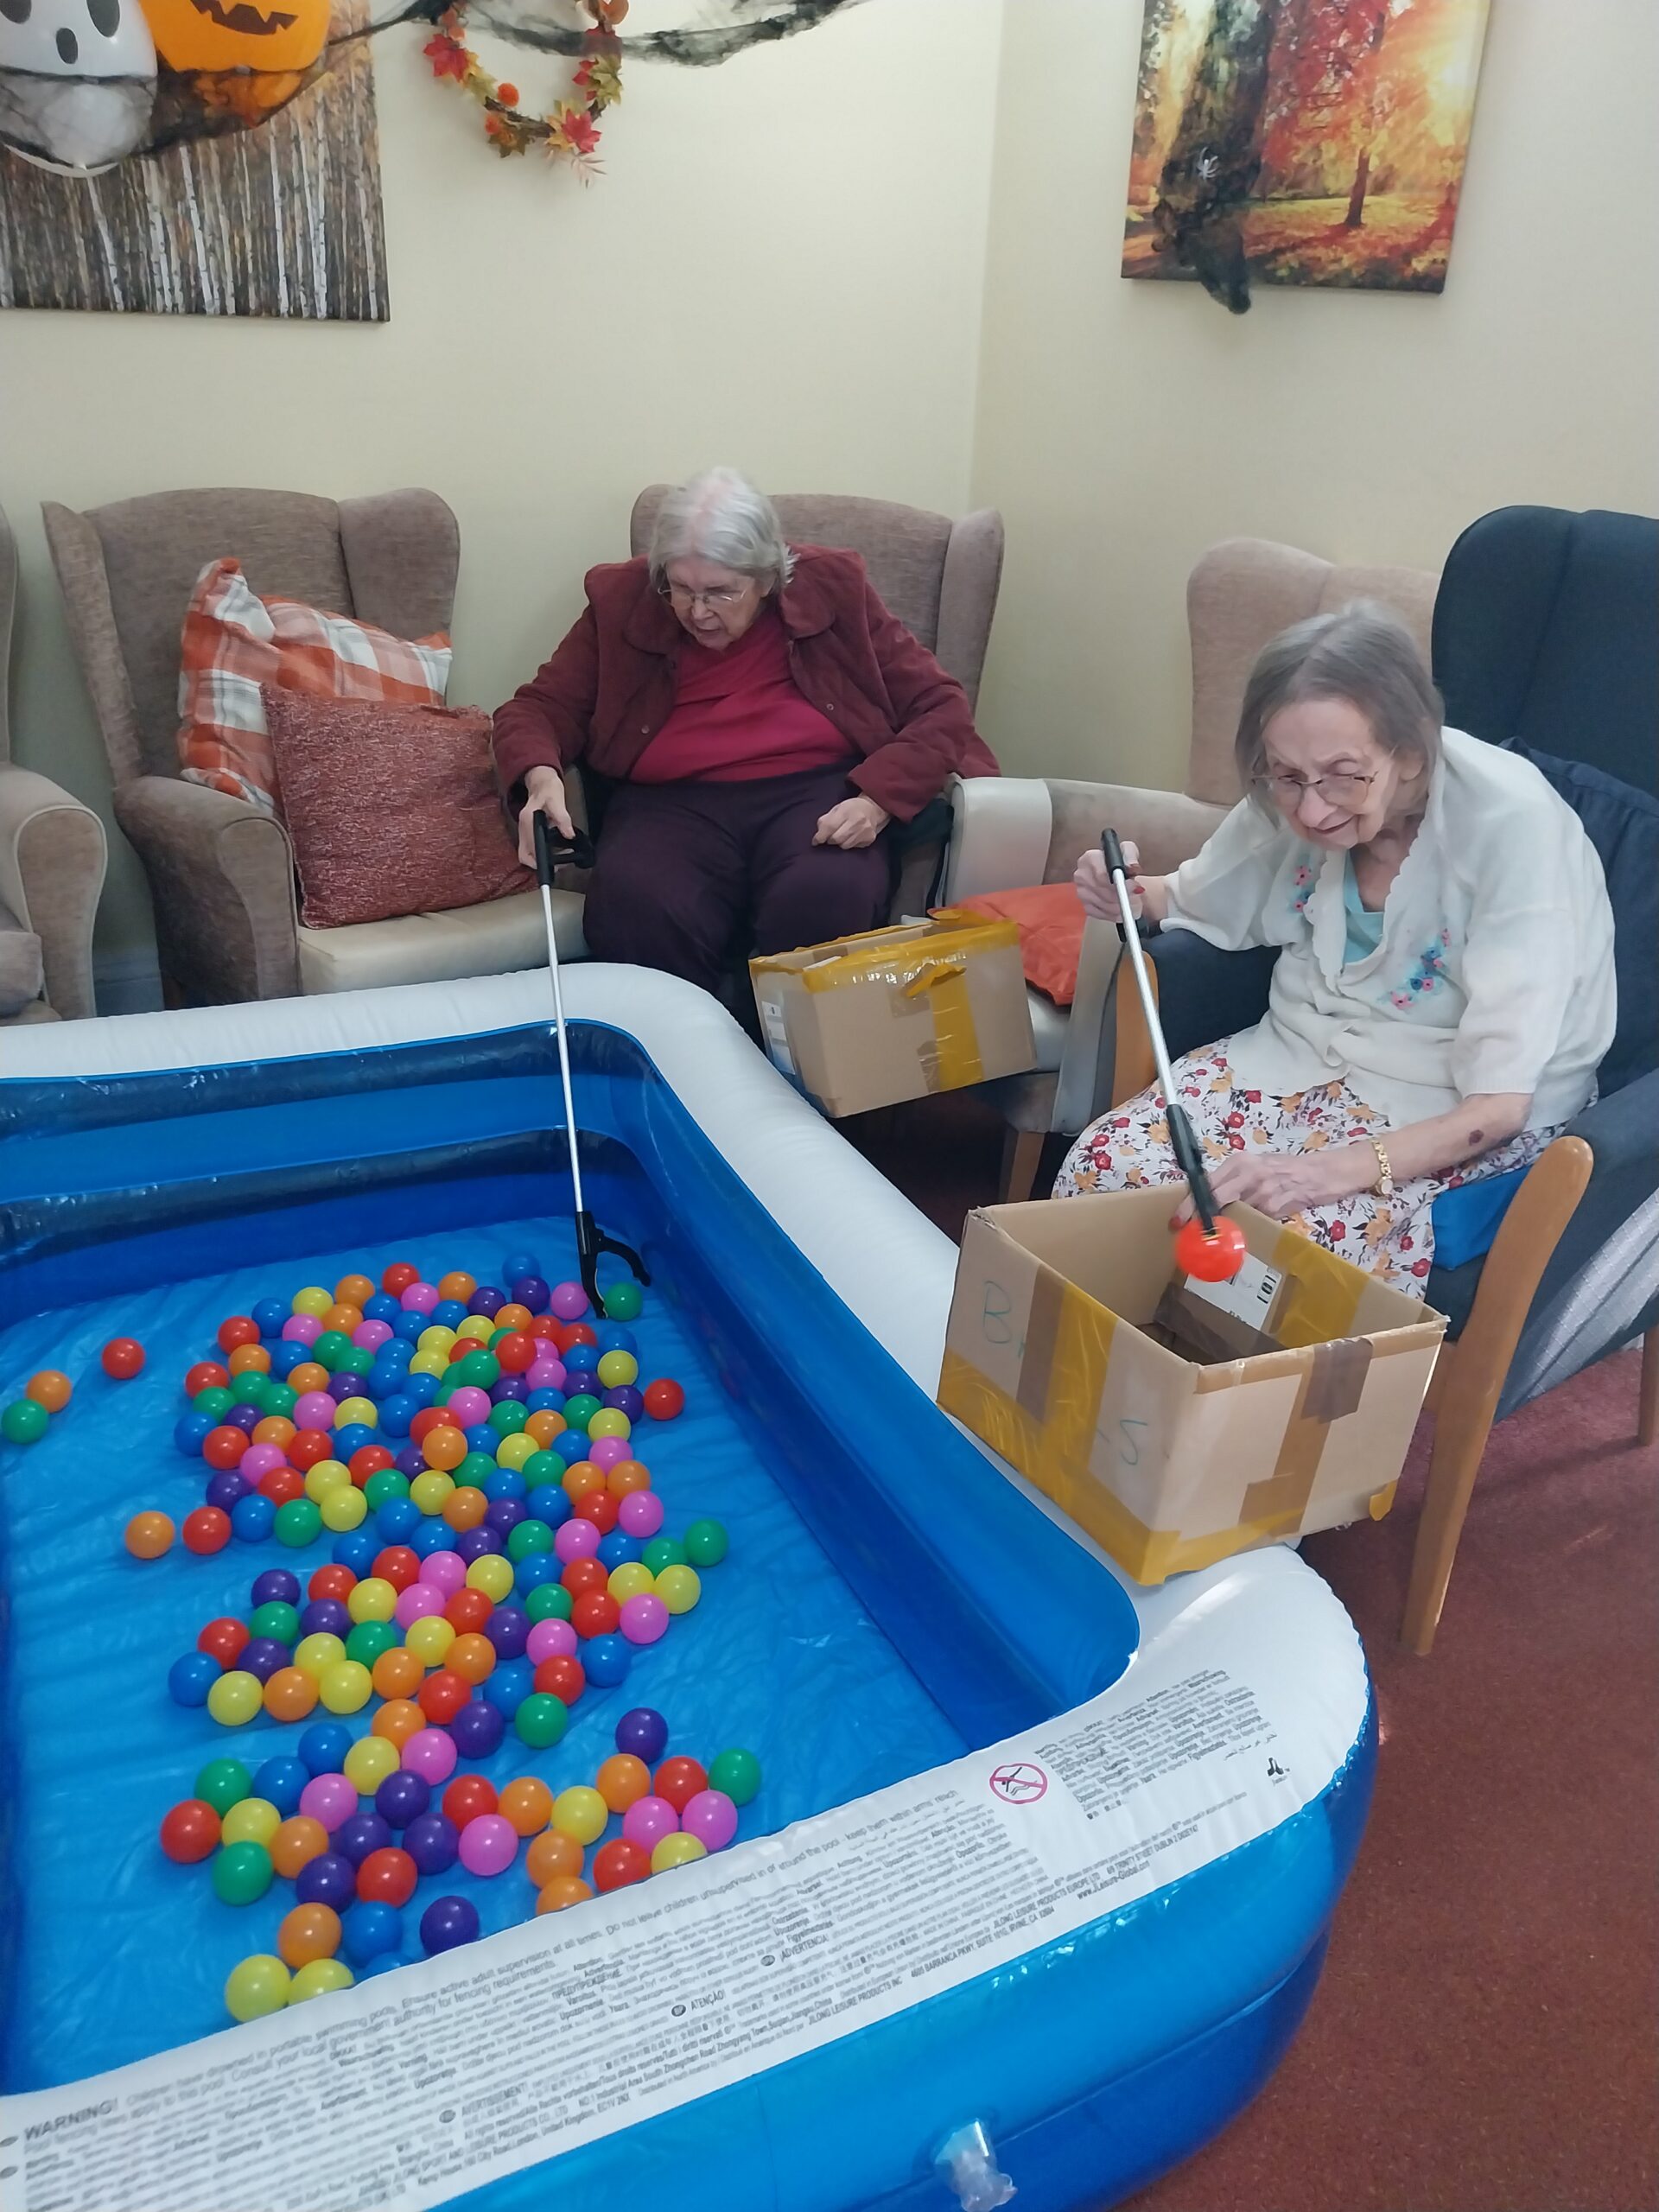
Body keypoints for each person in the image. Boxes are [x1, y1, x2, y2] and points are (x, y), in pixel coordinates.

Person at [1060, 602, 1616, 1294]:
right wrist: (1122, 889)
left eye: (1343, 776)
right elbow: (1188, 897)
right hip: (1297, 1058)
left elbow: (1499, 1108)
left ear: (1410, 750)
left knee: (1281, 1258)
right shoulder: (1292, 796)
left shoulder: (1512, 827)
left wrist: (1317, 1174)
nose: (1312, 810)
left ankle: (1208, 1368)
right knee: (1105, 1169)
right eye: (1286, 775)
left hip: (1450, 1102)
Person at [493, 467, 997, 993]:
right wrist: (540, 775)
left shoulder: (833, 588)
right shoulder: (621, 599)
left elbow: (941, 705)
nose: (697, 612)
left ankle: (793, 1047)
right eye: (680, 589)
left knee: (827, 895)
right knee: (637, 906)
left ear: (767, 578)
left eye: (720, 592)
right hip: (670, 803)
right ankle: (685, 1044)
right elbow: (538, 707)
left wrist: (877, 802)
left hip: (815, 792)